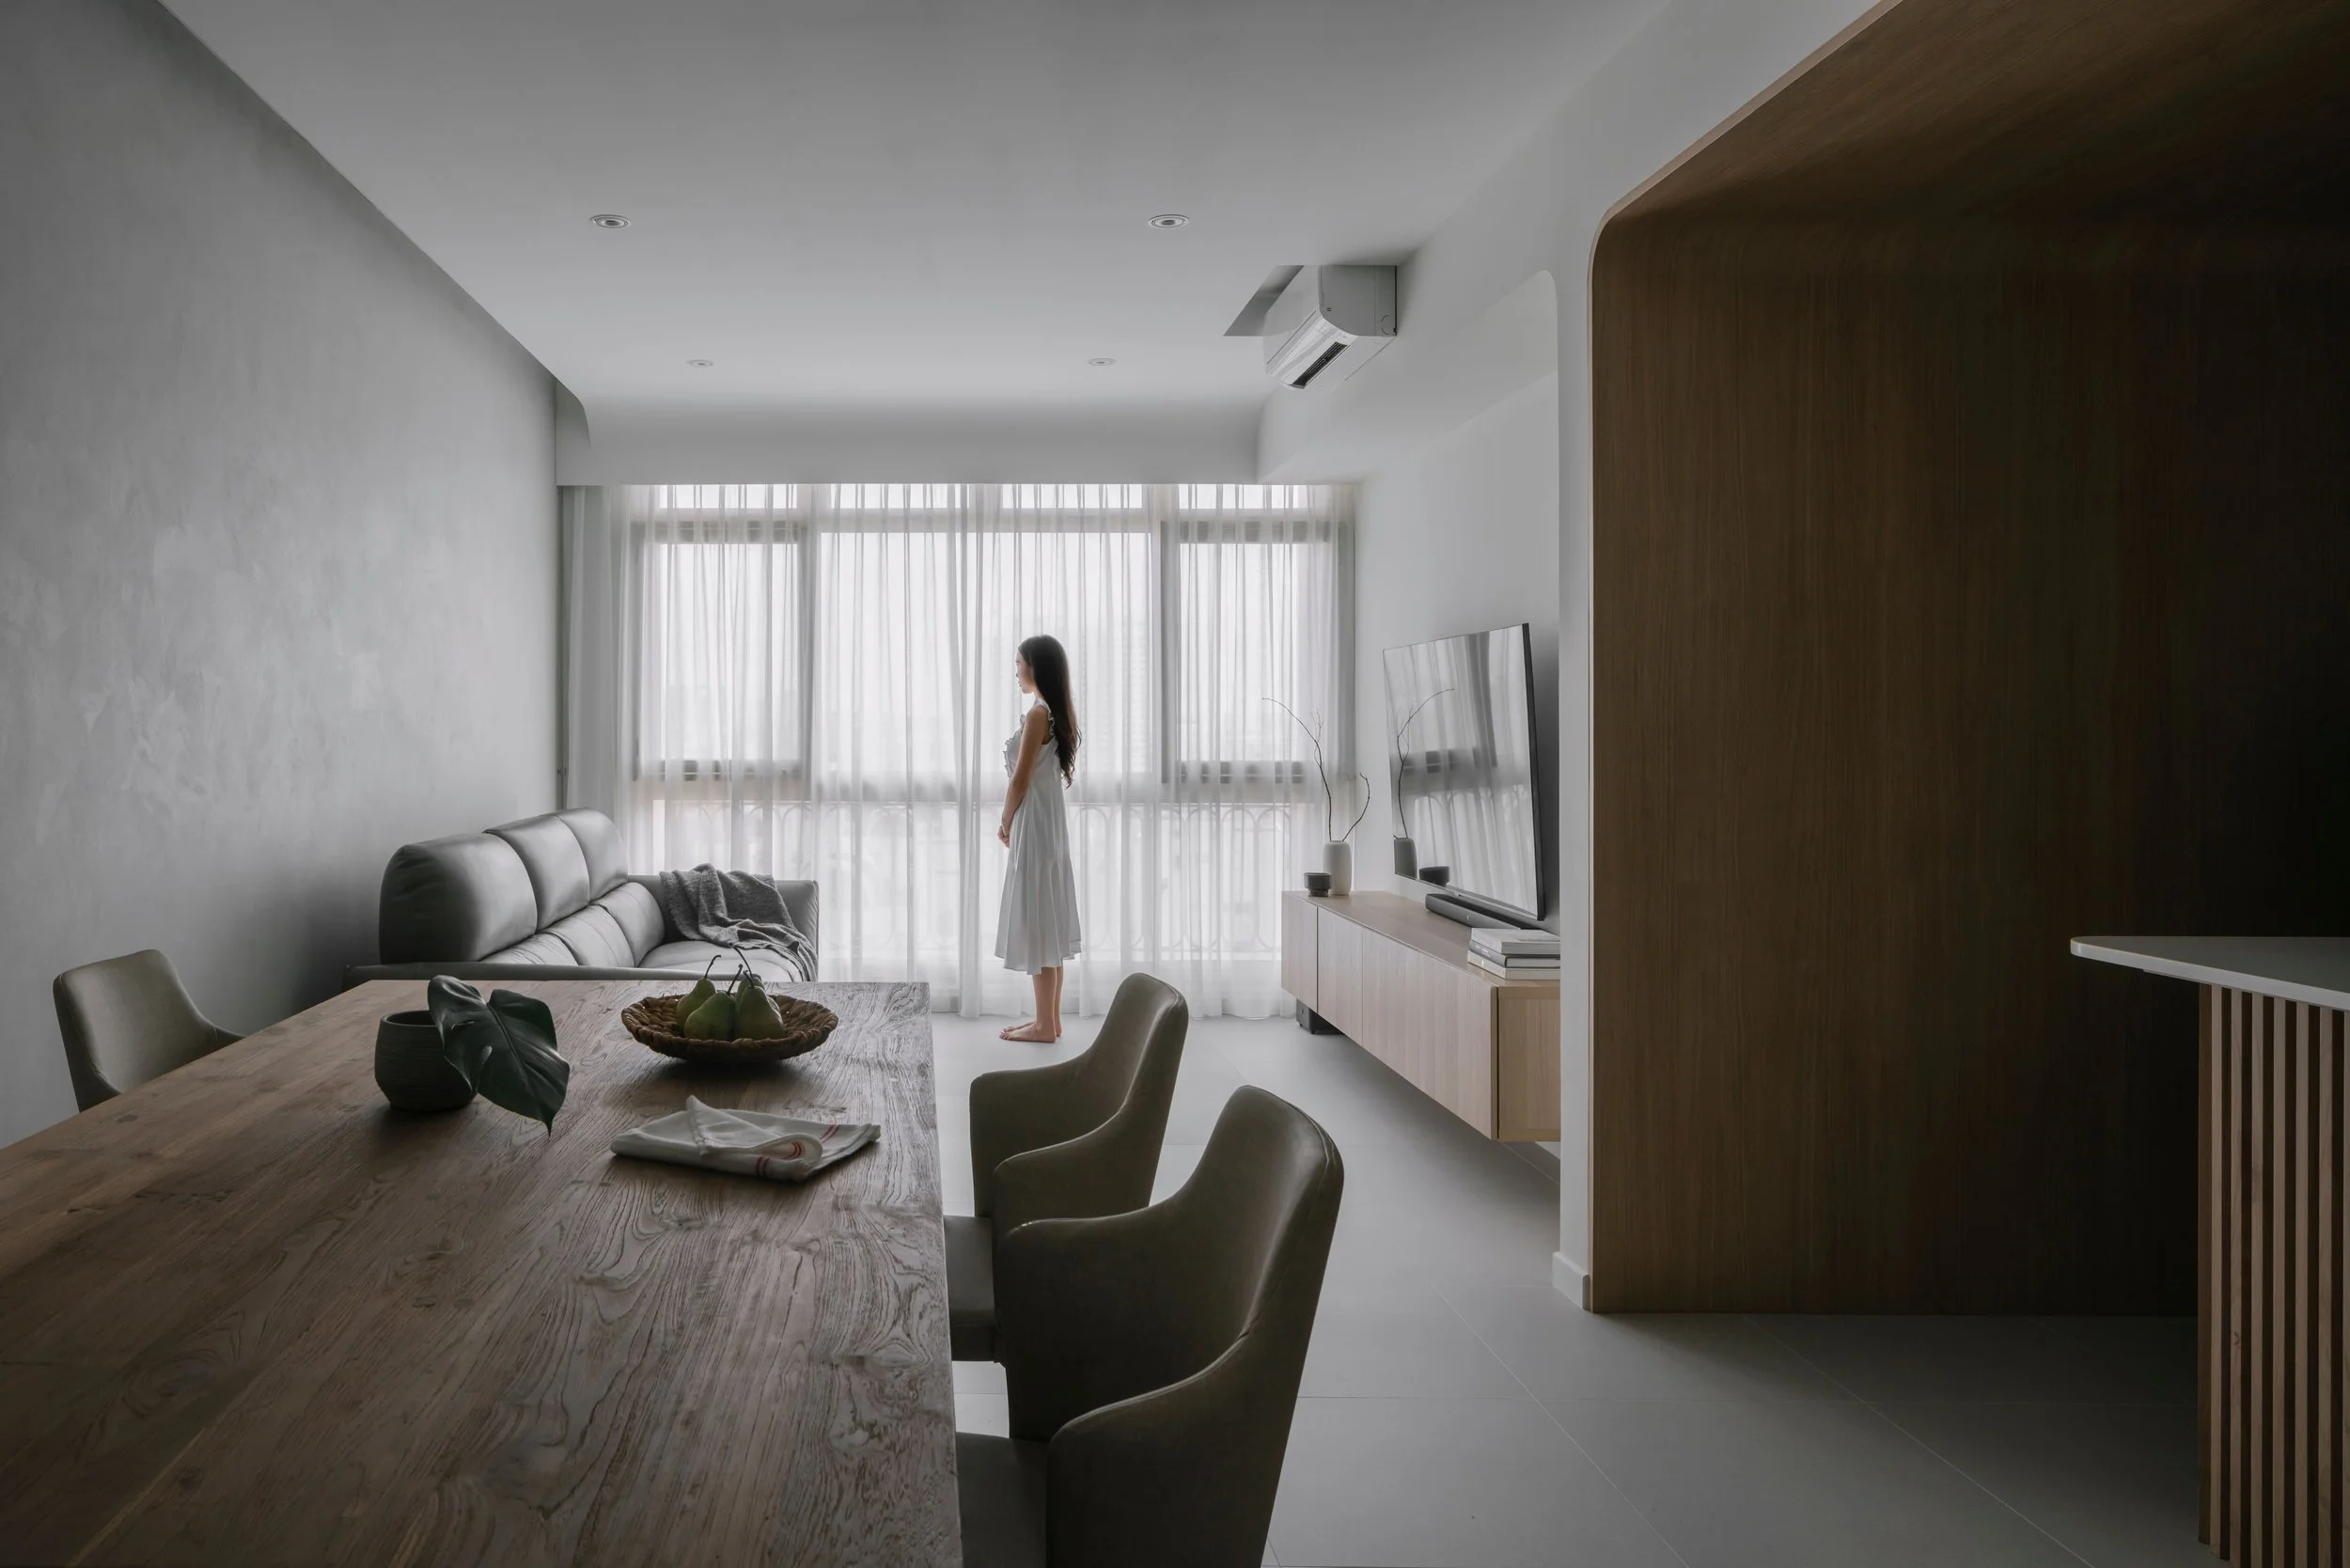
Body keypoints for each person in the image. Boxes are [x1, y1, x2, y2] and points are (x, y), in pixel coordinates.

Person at [995, 634, 1082, 1041]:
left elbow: (1020, 779)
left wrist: (1005, 821)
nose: (1016, 670)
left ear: (1035, 665)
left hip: (1036, 826)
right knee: (1049, 922)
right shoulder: (1052, 712)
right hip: (1050, 828)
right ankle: (1049, 1020)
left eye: (1019, 663)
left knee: (1038, 923)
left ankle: (1045, 1024)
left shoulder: (1037, 715)